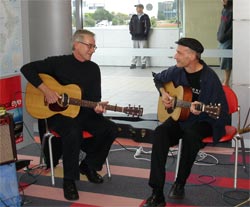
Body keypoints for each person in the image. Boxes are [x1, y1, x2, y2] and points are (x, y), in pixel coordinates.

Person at [20, 29, 118, 201]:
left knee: (110, 128)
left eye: (94, 47)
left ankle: (88, 166)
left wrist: (97, 107)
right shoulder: (58, 62)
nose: (92, 50)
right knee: (73, 131)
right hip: (58, 115)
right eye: (89, 45)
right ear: (76, 44)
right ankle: (69, 181)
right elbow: (26, 68)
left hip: (85, 113)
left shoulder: (94, 69)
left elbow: (95, 99)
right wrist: (46, 90)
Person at [143, 37, 229, 207]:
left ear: (192, 56)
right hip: (180, 118)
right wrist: (164, 94)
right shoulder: (177, 71)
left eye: (179, 53)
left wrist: (202, 107)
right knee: (160, 133)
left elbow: (221, 111)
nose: (175, 56)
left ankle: (180, 183)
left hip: (204, 120)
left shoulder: (210, 78)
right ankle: (157, 193)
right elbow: (158, 79)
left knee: (191, 135)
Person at [129, 4, 151, 69]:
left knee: (143, 50)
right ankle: (133, 63)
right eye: (136, 8)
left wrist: (145, 34)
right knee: (134, 50)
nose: (137, 9)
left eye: (138, 8)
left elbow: (148, 26)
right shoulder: (134, 16)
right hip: (134, 37)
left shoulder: (145, 17)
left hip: (143, 37)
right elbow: (130, 26)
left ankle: (143, 63)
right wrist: (132, 33)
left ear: (142, 8)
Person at [217, 0, 233, 86]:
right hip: (221, 39)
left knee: (227, 61)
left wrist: (225, 36)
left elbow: (232, 29)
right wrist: (219, 34)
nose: (222, 0)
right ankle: (225, 80)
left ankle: (226, 81)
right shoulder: (224, 10)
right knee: (222, 59)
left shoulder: (232, 11)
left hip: (227, 40)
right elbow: (222, 24)